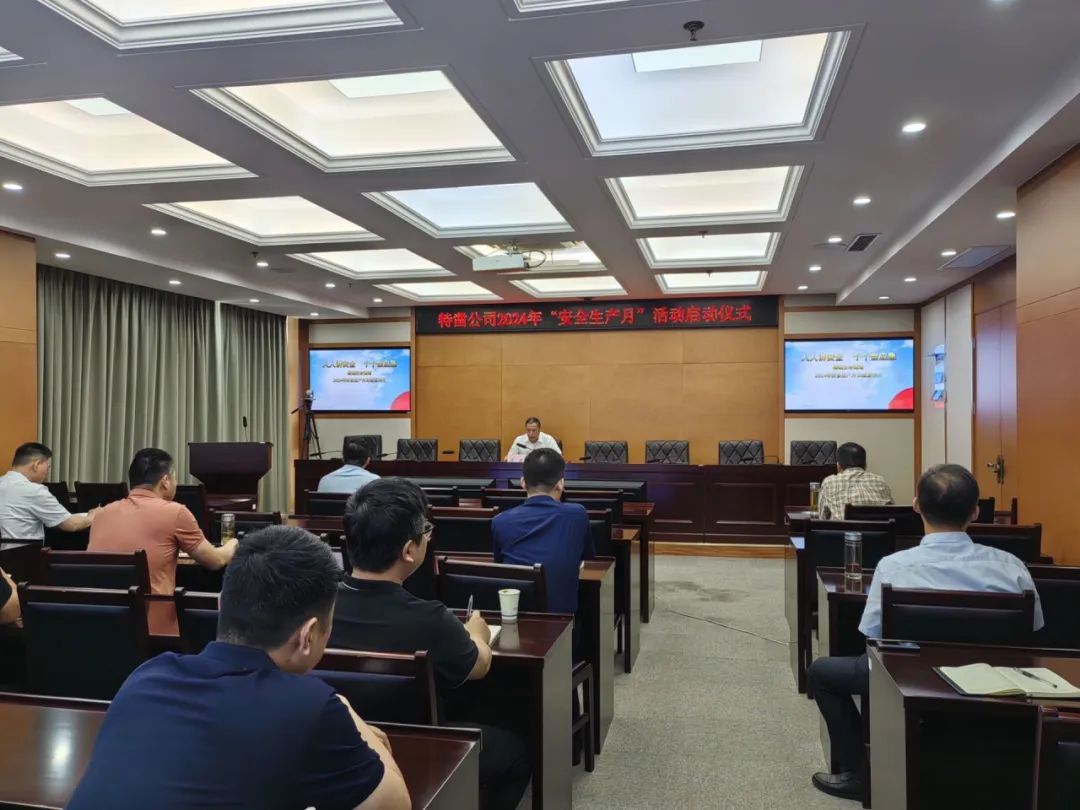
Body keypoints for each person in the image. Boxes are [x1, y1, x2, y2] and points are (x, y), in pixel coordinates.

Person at [67, 526, 410, 810]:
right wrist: (347, 710)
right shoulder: (310, 706)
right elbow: (394, 803)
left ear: (221, 605)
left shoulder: (147, 675)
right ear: (308, 636)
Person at [808, 464, 1044, 800]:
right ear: (975, 512)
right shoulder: (1011, 566)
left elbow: (872, 635)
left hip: (906, 682)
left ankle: (858, 775)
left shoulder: (894, 566)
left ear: (917, 506)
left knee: (822, 673)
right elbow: (1035, 630)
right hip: (996, 685)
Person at [330, 478, 530, 810]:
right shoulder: (429, 618)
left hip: (341, 742)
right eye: (425, 530)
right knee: (516, 754)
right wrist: (477, 633)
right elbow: (479, 666)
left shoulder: (318, 609)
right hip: (417, 749)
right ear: (409, 550)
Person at [88, 448, 237, 634]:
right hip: (155, 630)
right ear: (165, 481)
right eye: (174, 478)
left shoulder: (102, 515)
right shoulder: (175, 512)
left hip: (101, 627)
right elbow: (215, 561)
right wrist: (232, 545)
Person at [492, 448, 595, 615]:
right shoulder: (577, 515)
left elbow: (499, 565)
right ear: (560, 484)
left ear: (523, 482)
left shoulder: (500, 521)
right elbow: (586, 558)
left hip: (515, 616)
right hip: (563, 621)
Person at [0, 442, 95, 540]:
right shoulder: (34, 491)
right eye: (47, 467)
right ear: (36, 465)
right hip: (26, 549)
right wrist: (93, 516)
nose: (47, 473)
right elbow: (72, 525)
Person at [816, 442, 894, 520]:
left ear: (838, 466)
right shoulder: (880, 481)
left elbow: (822, 519)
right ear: (865, 466)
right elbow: (893, 514)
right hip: (877, 527)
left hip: (843, 528)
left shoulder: (829, 483)